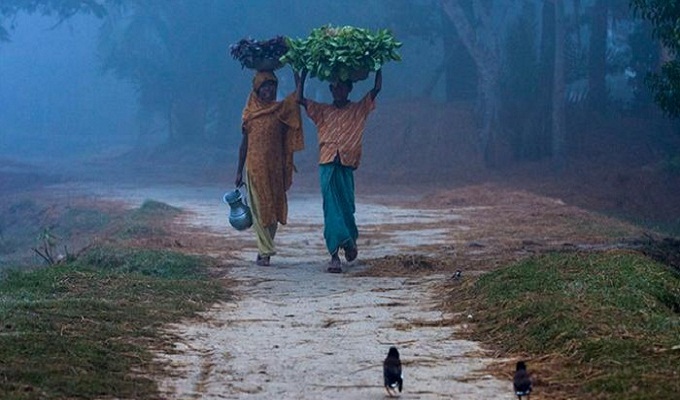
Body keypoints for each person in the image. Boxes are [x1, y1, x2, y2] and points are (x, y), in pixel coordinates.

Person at [297, 68, 382, 273]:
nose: (338, 91)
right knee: (331, 208)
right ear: (330, 89)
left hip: (346, 163)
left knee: (346, 207)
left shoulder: (358, 109)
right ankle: (334, 255)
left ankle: (349, 242)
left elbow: (376, 88)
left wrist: (378, 65)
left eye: (342, 87)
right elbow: (300, 98)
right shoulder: (322, 111)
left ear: (349, 89)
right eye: (335, 88)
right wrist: (302, 72)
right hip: (327, 163)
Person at [235, 70, 304, 266]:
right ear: (257, 90)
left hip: (275, 170)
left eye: (272, 86)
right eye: (265, 86)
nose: (269, 90)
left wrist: (297, 70)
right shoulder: (249, 115)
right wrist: (239, 171)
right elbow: (244, 145)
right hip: (254, 169)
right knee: (259, 209)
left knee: (272, 209)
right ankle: (265, 251)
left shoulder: (280, 110)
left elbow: (298, 95)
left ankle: (265, 247)